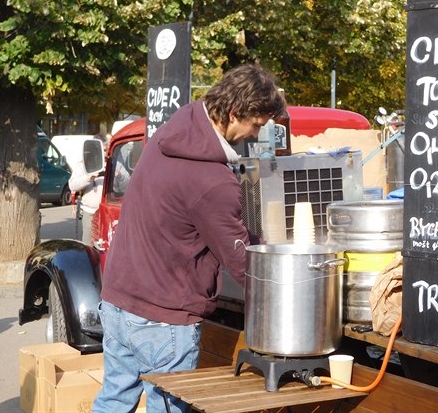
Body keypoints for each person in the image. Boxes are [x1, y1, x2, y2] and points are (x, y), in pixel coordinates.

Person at [92, 63, 286, 413]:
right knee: (167, 408)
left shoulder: (173, 132)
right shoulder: (212, 179)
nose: (255, 135)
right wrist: (286, 284)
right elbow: (244, 265)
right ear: (234, 112)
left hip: (119, 301)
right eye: (255, 125)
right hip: (162, 317)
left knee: (113, 400)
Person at [68, 137, 106, 245]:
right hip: (90, 212)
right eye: (101, 150)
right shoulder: (83, 164)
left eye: (105, 150)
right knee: (89, 247)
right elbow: (72, 185)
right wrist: (88, 178)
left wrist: (119, 176)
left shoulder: (114, 162)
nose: (104, 153)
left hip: (108, 213)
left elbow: (126, 183)